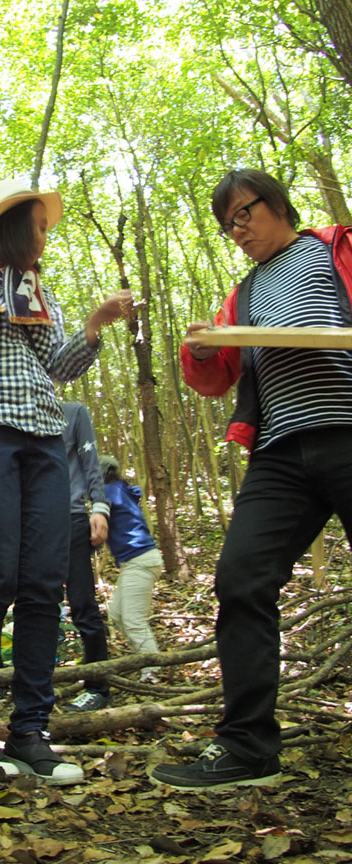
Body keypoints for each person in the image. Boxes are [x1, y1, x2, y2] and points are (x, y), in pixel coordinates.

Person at [0, 178, 133, 784]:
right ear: (12, 226)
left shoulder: (40, 291)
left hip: (44, 437)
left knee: (45, 581)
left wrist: (94, 325)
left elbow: (58, 367)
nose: (46, 238)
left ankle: (30, 730)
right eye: (39, 227)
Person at [152, 169, 352, 790]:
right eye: (226, 225)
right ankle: (247, 749)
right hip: (280, 453)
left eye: (244, 215)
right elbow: (213, 378)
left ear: (278, 205)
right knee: (240, 580)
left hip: (348, 430)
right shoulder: (241, 294)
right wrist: (203, 350)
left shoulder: (333, 248)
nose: (236, 231)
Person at [61, 401, 111, 712]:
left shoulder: (74, 413)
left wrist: (100, 508)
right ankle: (34, 685)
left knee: (82, 604)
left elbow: (91, 462)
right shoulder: (14, 413)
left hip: (71, 517)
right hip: (32, 522)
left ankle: (98, 687)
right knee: (34, 603)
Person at [99, 455, 162, 683]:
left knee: (133, 619)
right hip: (136, 561)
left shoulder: (109, 492)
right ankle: (143, 657)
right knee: (117, 614)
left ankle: (151, 668)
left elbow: (98, 525)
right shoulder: (120, 489)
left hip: (140, 559)